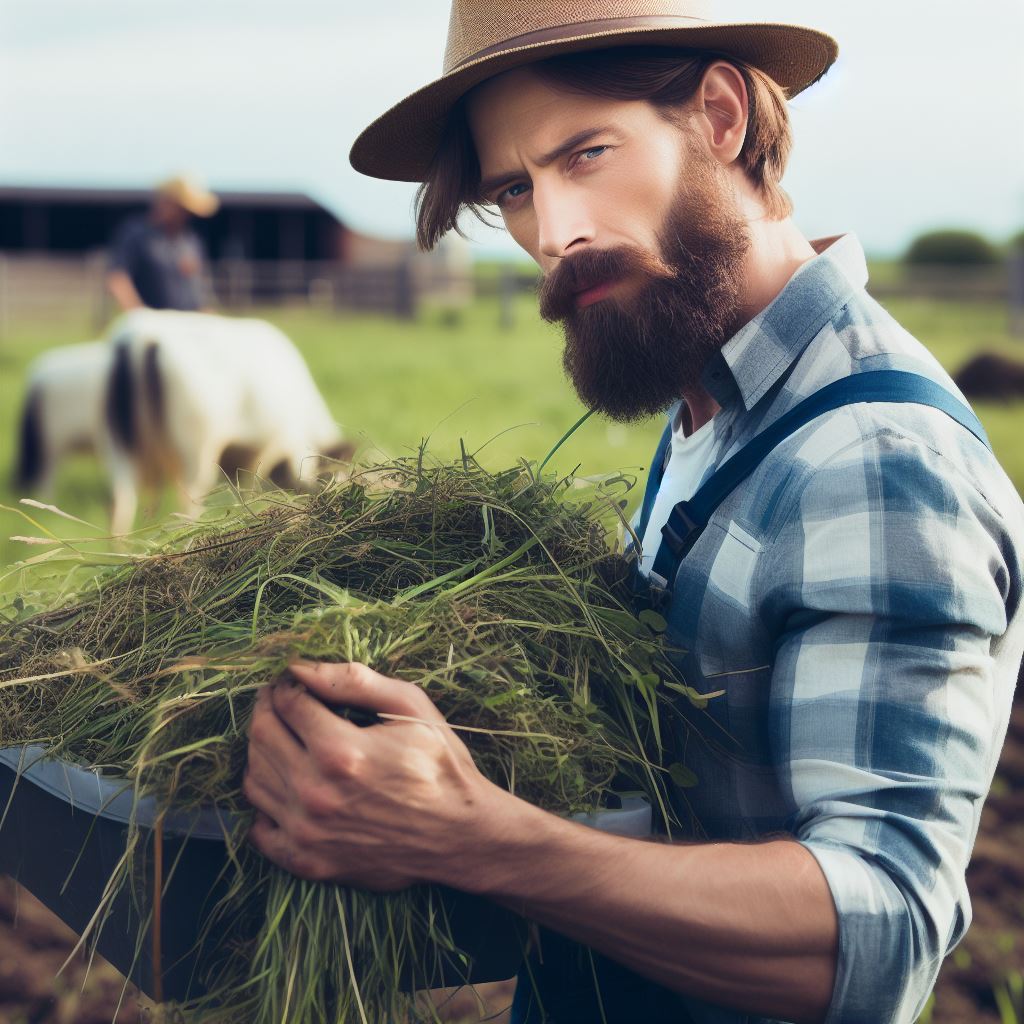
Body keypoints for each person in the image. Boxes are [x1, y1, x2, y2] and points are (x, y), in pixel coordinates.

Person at [242, 3, 1024, 1023]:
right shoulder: (711, 396)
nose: (554, 232)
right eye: (514, 189)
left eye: (587, 154)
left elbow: (879, 933)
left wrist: (469, 833)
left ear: (719, 115)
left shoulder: (874, 459)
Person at [106, 174, 218, 312]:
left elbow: (198, 288)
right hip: (154, 325)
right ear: (167, 202)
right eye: (182, 209)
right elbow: (118, 278)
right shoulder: (136, 234)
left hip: (187, 324)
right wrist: (139, 315)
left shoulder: (190, 241)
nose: (186, 216)